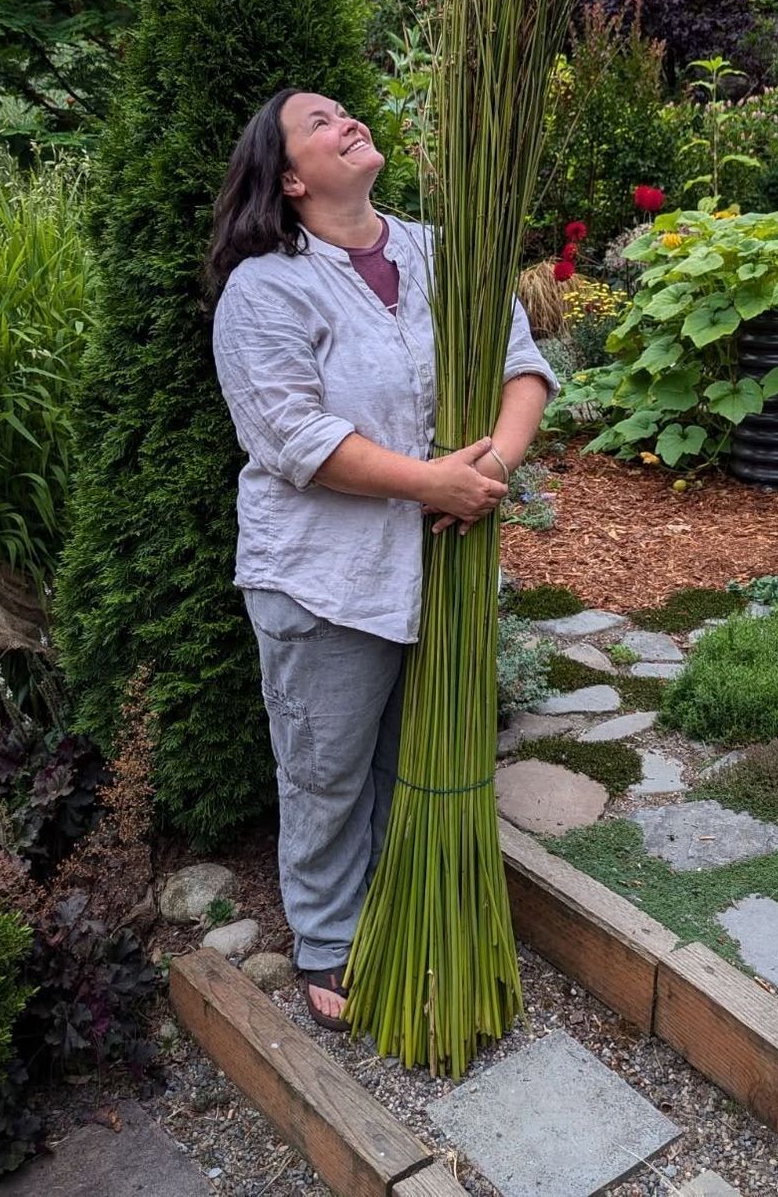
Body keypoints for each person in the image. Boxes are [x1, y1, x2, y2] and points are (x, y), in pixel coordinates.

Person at [206, 87, 557, 1030]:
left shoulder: (439, 251)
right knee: (326, 767)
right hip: (323, 576)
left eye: (346, 112)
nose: (347, 122)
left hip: (442, 560)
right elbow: (294, 436)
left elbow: (523, 366)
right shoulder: (267, 288)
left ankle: (407, 913)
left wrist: (489, 471)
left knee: (417, 757)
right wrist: (431, 484)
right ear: (288, 178)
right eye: (318, 123)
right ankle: (327, 938)